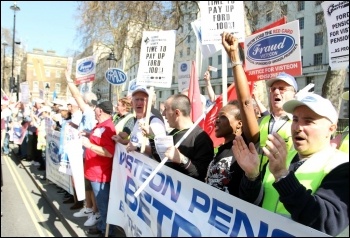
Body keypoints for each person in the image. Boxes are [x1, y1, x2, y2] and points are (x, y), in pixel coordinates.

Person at [232, 93, 349, 236]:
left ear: (331, 128)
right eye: (295, 119)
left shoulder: (341, 165)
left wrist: (282, 176)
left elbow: (326, 223)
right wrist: (252, 176)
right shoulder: (281, 158)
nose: (298, 127)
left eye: (309, 121)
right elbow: (252, 204)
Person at [221, 32, 297, 173]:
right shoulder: (261, 122)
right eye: (273, 89)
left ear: (294, 94)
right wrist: (235, 58)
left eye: (282, 89)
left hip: (285, 187)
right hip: (255, 186)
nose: (276, 92)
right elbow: (245, 102)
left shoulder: (298, 124)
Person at [65, 74, 100, 228]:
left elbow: (77, 95)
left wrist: (69, 81)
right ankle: (88, 208)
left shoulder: (89, 112)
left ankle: (94, 211)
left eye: (81, 102)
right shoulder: (89, 114)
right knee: (86, 185)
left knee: (92, 187)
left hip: (91, 154)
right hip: (84, 153)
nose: (78, 104)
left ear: (86, 103)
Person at [81, 100, 116, 237]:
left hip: (100, 174)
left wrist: (89, 145)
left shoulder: (108, 127)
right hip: (94, 172)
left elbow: (109, 152)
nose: (94, 111)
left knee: (104, 206)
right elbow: (98, 140)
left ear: (100, 110)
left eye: (95, 108)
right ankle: (102, 227)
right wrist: (88, 134)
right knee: (102, 206)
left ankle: (108, 232)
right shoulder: (101, 126)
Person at [162, 94, 214, 182]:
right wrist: (151, 137)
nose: (163, 114)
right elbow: (163, 160)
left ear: (177, 113)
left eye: (166, 109)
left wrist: (182, 159)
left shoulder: (201, 138)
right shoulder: (173, 133)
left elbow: (202, 174)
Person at [205, 100, 245, 196]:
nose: (216, 120)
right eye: (217, 117)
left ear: (239, 123)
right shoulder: (219, 150)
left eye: (223, 117)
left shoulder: (244, 148)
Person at [125, 86, 166, 159]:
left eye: (142, 100)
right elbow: (135, 141)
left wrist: (137, 147)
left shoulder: (155, 122)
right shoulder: (137, 120)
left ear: (148, 103)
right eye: (137, 99)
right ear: (132, 103)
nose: (139, 103)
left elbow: (162, 152)